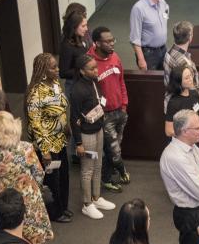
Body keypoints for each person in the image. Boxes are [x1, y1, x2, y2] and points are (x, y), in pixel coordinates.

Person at [0, 111, 54, 244]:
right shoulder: (26, 148)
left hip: (0, 202)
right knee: (29, 234)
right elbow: (39, 174)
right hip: (25, 199)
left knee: (3, 236)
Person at [159, 110, 199, 244]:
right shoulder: (175, 157)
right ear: (185, 131)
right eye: (198, 127)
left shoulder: (191, 147)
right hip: (190, 216)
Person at [26, 53, 72, 223]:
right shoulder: (35, 93)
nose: (58, 69)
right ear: (44, 70)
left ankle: (63, 207)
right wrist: (45, 151)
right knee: (53, 180)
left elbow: (61, 107)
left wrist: (65, 125)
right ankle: (54, 212)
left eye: (57, 66)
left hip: (60, 140)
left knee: (64, 176)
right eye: (54, 67)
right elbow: (36, 125)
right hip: (47, 144)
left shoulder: (55, 84)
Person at [70, 55, 117, 219]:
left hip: (98, 129)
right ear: (82, 71)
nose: (96, 71)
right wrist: (78, 143)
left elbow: (99, 103)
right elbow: (74, 118)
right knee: (87, 169)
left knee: (98, 165)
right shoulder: (77, 90)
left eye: (96, 67)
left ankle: (96, 197)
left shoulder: (94, 83)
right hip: (86, 134)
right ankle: (86, 204)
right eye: (92, 69)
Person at [87, 26, 131, 193]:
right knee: (114, 151)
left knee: (114, 147)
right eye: (107, 41)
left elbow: (121, 82)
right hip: (104, 116)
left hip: (120, 111)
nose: (112, 44)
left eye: (113, 40)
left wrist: (124, 105)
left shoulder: (115, 57)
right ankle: (115, 174)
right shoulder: (90, 63)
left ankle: (109, 174)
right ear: (96, 43)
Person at [129, 0, 169, 70]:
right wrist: (141, 60)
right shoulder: (138, 9)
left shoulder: (163, 3)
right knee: (151, 82)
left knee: (165, 80)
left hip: (163, 49)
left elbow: (165, 18)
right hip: (148, 54)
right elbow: (135, 38)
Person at [164, 63, 199, 138]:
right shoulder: (174, 103)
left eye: (190, 75)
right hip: (183, 142)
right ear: (179, 82)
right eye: (187, 78)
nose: (191, 79)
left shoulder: (195, 94)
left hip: (198, 137)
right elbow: (168, 131)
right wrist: (188, 134)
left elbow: (198, 114)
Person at [163, 20, 199, 89]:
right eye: (192, 34)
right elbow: (193, 89)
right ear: (190, 38)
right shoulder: (185, 64)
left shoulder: (168, 52)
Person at [58, 10, 89, 86]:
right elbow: (63, 73)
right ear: (74, 27)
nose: (86, 29)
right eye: (83, 26)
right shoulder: (67, 46)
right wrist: (83, 71)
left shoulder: (80, 38)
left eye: (86, 25)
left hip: (84, 81)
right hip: (74, 86)